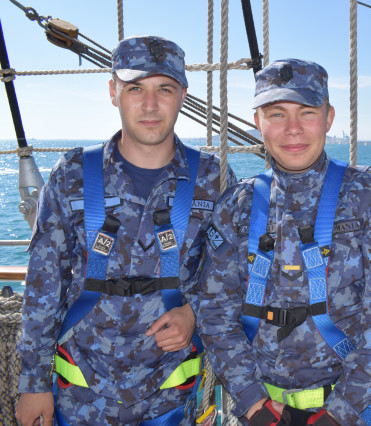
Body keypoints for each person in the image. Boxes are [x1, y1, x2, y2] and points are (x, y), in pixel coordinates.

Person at [15, 35, 235, 425]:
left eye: (164, 89)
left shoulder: (213, 180)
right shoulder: (72, 175)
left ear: (182, 96)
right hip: (80, 396)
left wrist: (194, 313)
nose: (150, 105)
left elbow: (234, 272)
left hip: (172, 399)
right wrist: (33, 384)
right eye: (135, 88)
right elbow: (44, 284)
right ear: (113, 92)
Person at [196, 58, 371, 425]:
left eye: (307, 112)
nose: (293, 129)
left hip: (350, 412)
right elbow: (215, 313)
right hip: (257, 412)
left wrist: (339, 413)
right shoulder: (236, 205)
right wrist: (253, 403)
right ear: (258, 123)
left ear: (329, 118)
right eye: (277, 114)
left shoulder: (370, 196)